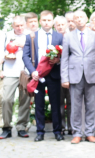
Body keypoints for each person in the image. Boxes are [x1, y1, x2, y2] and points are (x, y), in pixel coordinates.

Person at [60, 9, 95, 143]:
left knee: (91, 105)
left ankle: (90, 132)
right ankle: (77, 133)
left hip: (91, 75)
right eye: (76, 17)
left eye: (81, 17)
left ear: (86, 19)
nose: (79, 19)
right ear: (73, 20)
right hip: (74, 76)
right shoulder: (68, 36)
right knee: (75, 106)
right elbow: (64, 59)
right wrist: (65, 78)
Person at [23, 10, 65, 141]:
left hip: (54, 74)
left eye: (49, 20)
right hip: (38, 74)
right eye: (44, 20)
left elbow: (66, 54)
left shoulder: (59, 36)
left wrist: (58, 60)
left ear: (53, 22)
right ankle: (40, 131)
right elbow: (25, 55)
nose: (46, 23)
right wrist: (32, 71)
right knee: (39, 104)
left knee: (56, 103)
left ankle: (57, 131)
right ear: (40, 21)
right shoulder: (32, 36)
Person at [0, 15, 29, 139]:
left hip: (25, 72)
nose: (20, 28)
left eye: (21, 25)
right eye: (17, 26)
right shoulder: (6, 36)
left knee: (24, 100)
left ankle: (21, 126)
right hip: (10, 72)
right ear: (12, 26)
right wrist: (6, 55)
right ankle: (6, 127)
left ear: (24, 25)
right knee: (6, 100)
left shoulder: (30, 36)